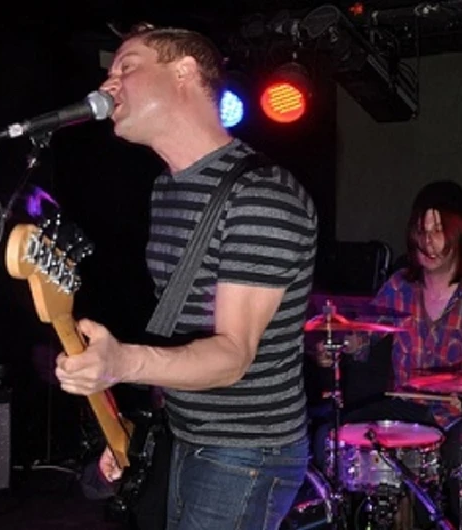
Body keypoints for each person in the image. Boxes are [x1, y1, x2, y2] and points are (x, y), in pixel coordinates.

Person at [54, 23, 318, 530]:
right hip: (188, 431)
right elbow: (181, 333)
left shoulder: (262, 196)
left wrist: (122, 363)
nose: (107, 85)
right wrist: (137, 428)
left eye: (126, 67)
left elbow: (231, 355)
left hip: (245, 451)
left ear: (184, 72)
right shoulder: (167, 189)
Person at [312, 180, 462, 530]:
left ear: (459, 235)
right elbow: (364, 335)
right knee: (330, 437)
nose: (426, 241)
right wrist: (338, 346)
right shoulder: (399, 287)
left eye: (438, 230)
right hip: (406, 407)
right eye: (420, 230)